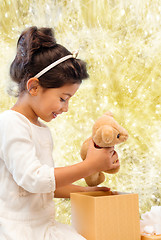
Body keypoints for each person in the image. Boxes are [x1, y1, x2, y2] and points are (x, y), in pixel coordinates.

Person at [0, 26, 119, 240]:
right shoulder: (10, 123)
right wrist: (91, 165)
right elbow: (34, 179)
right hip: (17, 231)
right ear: (34, 87)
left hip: (44, 227)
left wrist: (81, 192)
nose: (65, 108)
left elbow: (46, 186)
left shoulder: (42, 130)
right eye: (63, 98)